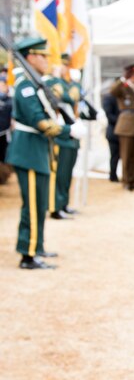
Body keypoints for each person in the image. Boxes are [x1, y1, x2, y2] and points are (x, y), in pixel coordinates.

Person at [6, 36, 86, 268]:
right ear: (31, 57)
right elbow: (39, 122)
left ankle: (36, 245)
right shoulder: (25, 86)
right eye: (42, 56)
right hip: (28, 151)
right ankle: (28, 254)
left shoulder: (35, 84)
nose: (46, 60)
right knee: (32, 205)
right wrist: (69, 129)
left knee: (40, 203)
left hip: (37, 150)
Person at [46, 53, 81, 218]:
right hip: (61, 135)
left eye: (67, 65)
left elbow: (75, 97)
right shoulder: (52, 82)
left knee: (67, 173)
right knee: (59, 174)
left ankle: (64, 203)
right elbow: (64, 97)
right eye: (63, 65)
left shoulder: (70, 83)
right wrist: (60, 79)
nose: (65, 68)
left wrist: (70, 86)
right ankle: (56, 207)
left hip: (72, 134)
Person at [110, 63, 134, 190]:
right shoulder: (123, 86)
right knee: (126, 154)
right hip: (126, 125)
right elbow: (112, 91)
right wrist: (124, 79)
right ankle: (126, 180)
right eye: (133, 74)